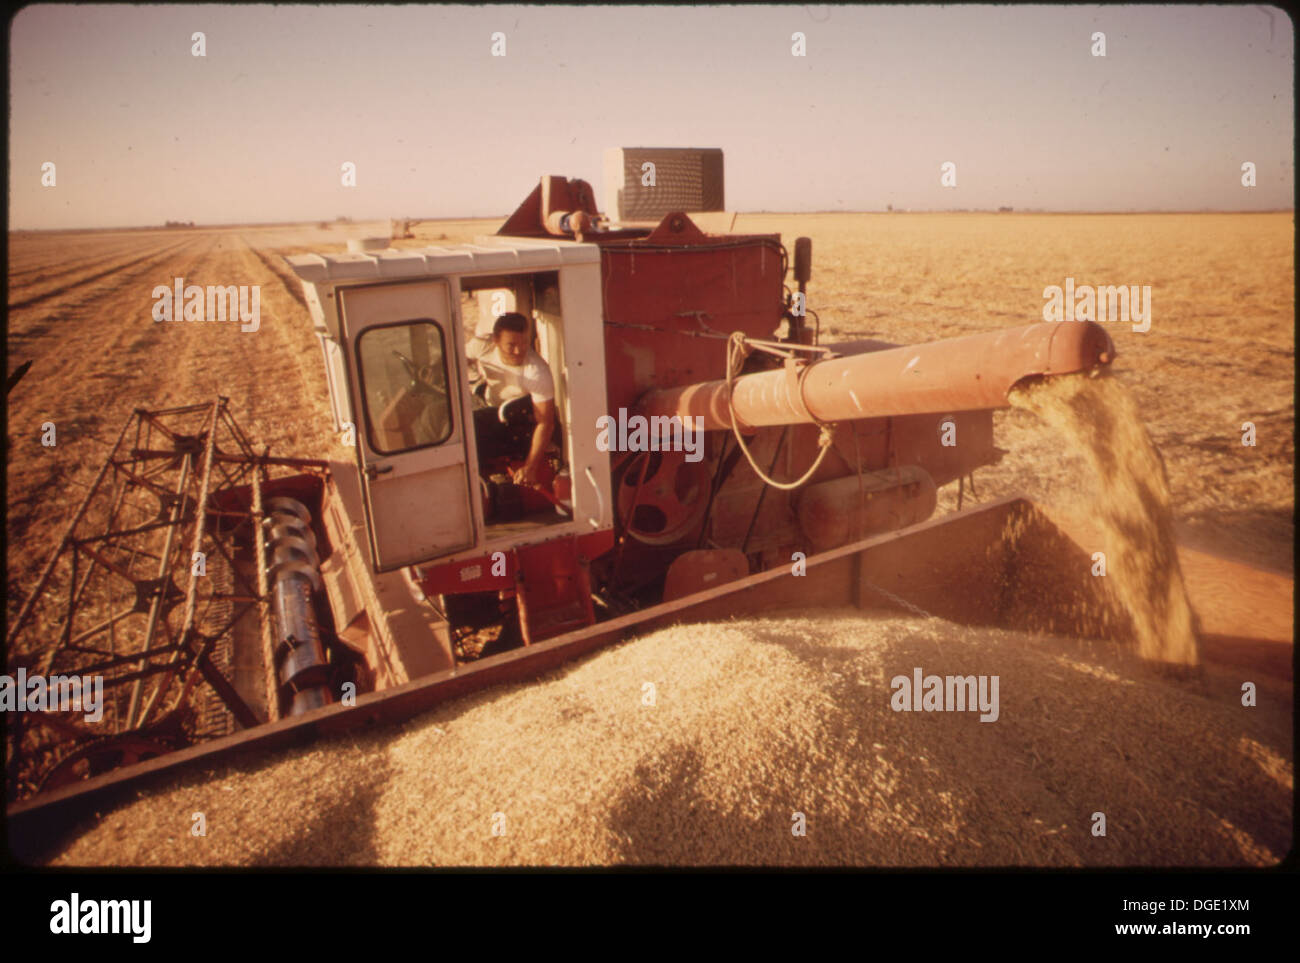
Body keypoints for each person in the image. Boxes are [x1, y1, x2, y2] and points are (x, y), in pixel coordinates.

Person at [472, 312, 557, 487]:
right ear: (495, 340)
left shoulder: (537, 371)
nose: (519, 351)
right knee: (435, 414)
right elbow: (457, 357)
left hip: (512, 427)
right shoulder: (483, 347)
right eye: (511, 345)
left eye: (524, 342)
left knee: (469, 424)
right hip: (486, 407)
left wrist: (530, 467)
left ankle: (477, 485)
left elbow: (546, 423)